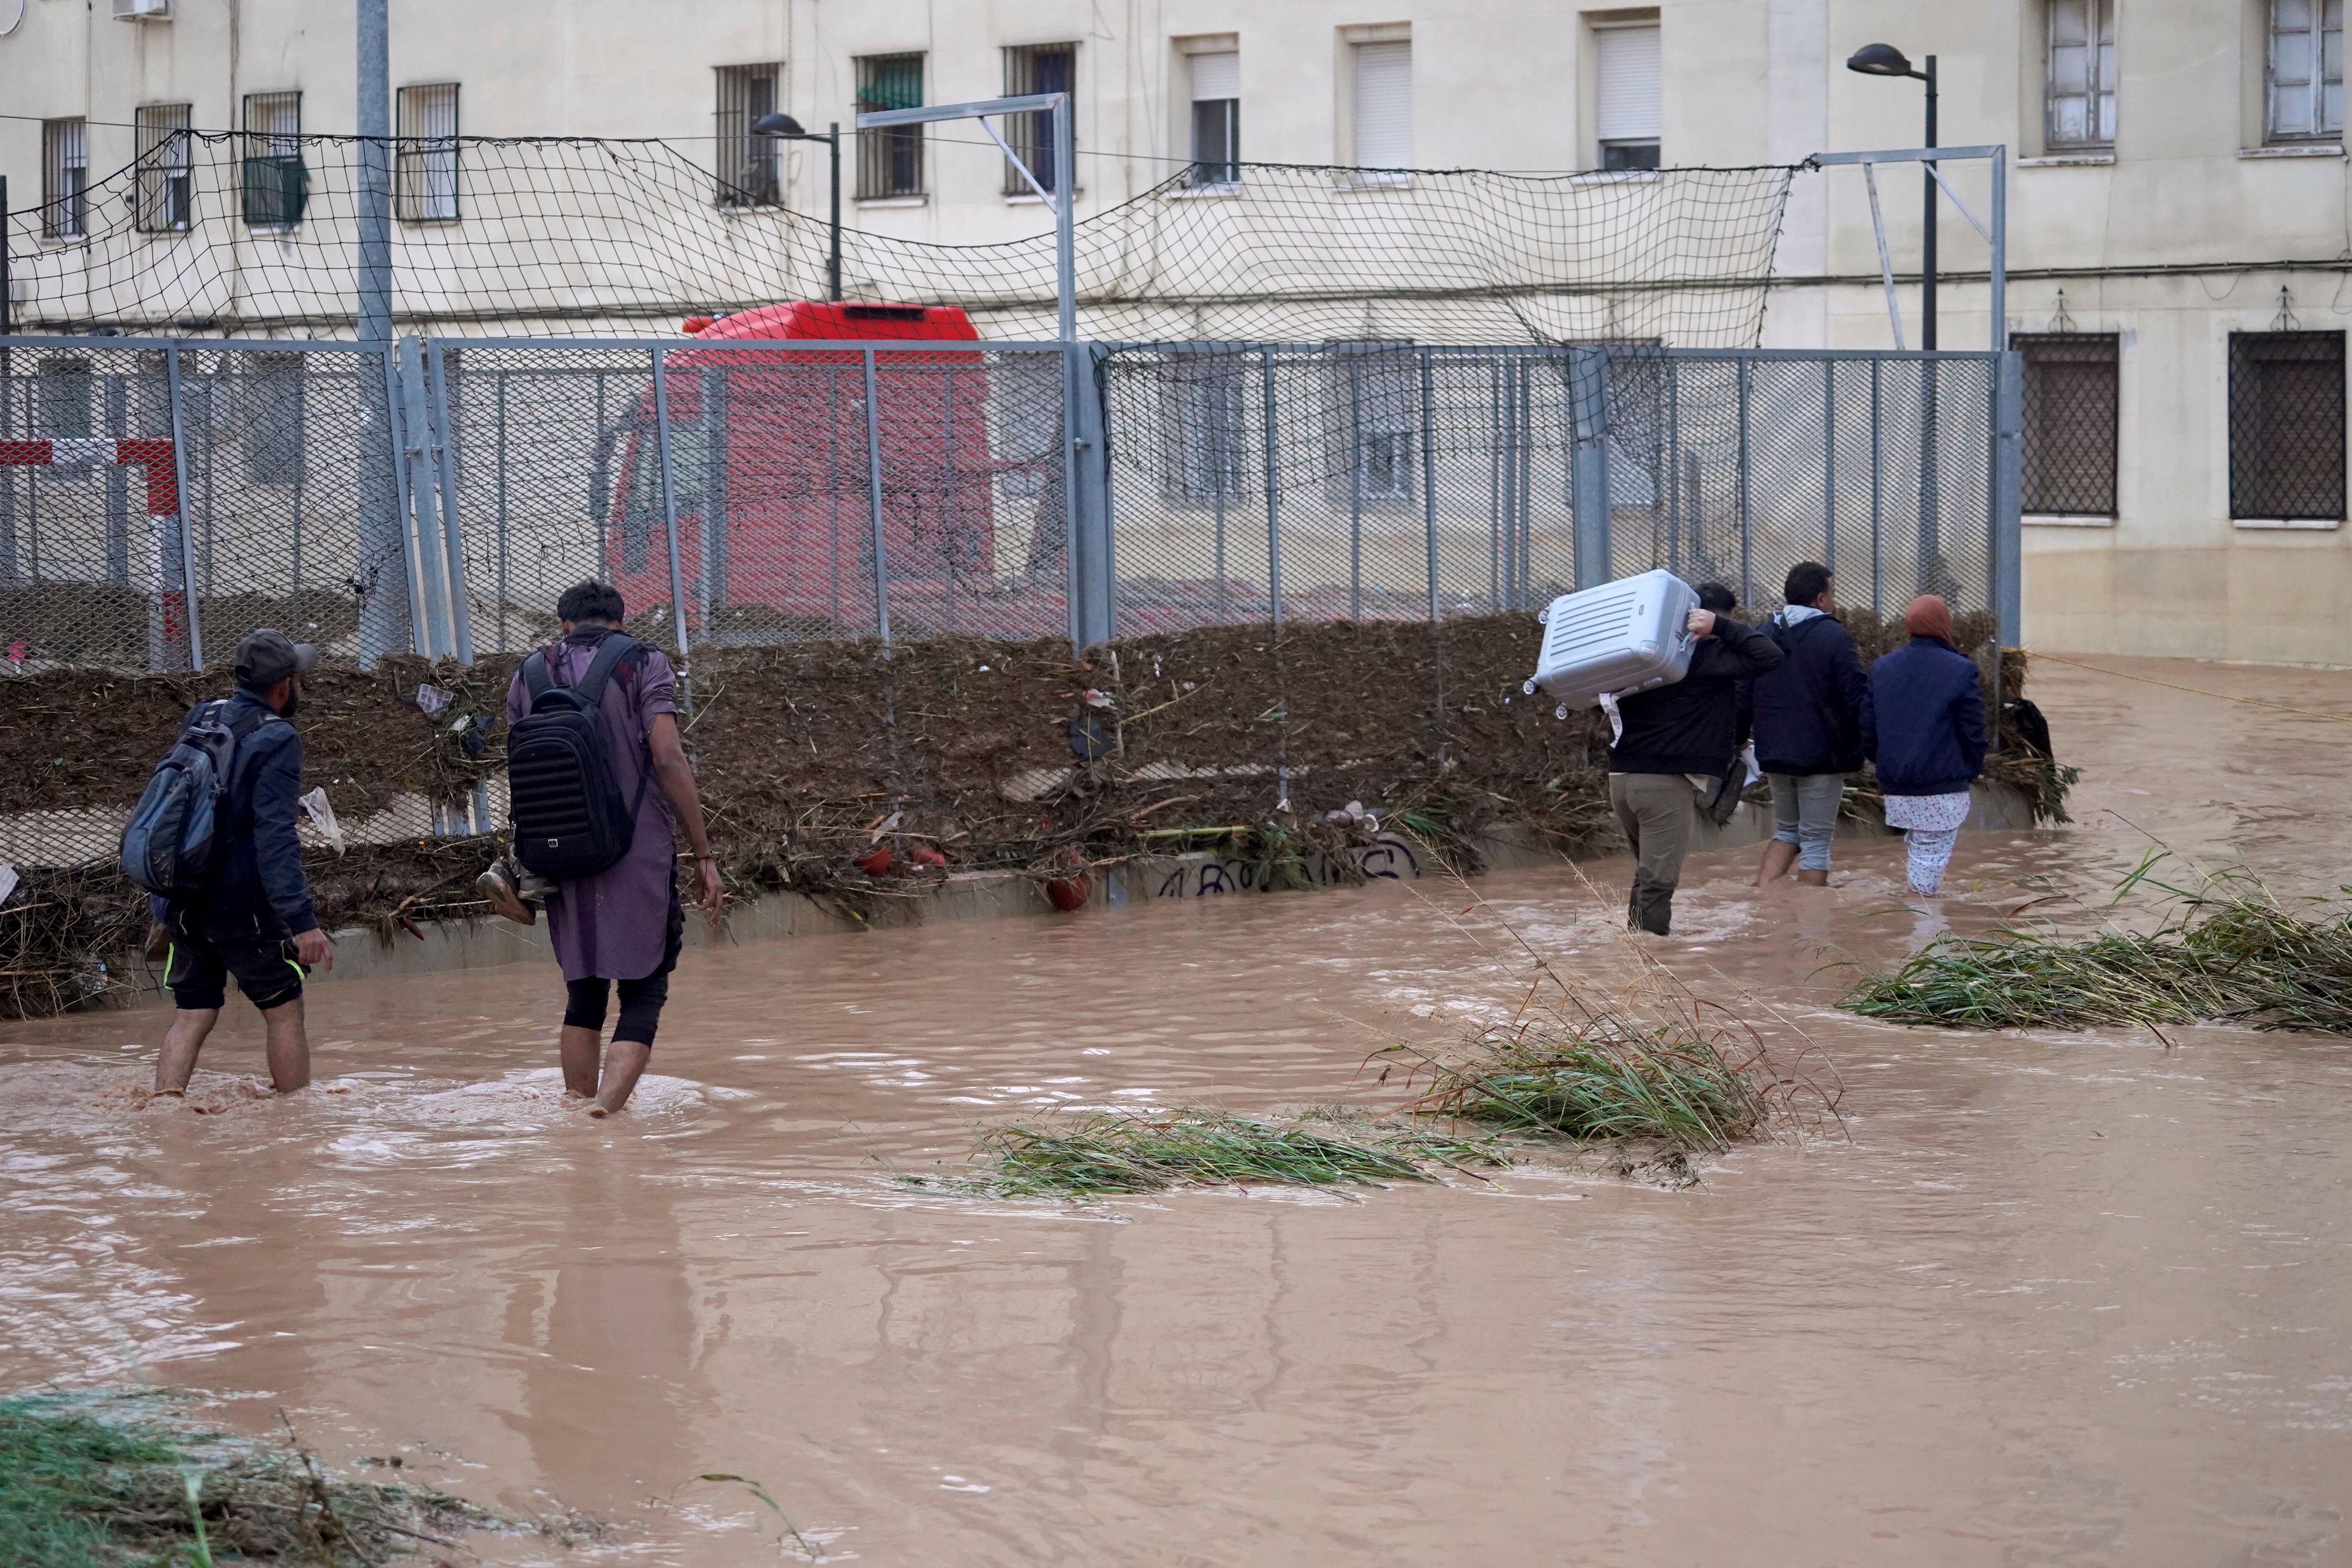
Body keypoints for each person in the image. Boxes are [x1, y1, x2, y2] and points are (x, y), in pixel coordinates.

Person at [483, 582, 723, 1117]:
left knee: (584, 992)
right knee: (645, 988)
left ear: (563, 624)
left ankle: (576, 1105)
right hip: (636, 848)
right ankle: (607, 1110)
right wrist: (703, 854)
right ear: (620, 619)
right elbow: (667, 758)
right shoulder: (643, 663)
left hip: (557, 851)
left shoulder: (529, 673)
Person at [153, 629, 335, 1098]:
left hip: (184, 898)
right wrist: (302, 922)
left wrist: (161, 903)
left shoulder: (203, 716)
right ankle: (297, 1123)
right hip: (240, 907)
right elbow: (274, 836)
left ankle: (166, 1114)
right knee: (283, 1010)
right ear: (283, 686)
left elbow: (176, 811)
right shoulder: (277, 738)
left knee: (192, 1016)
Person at [1607, 581, 1784, 935]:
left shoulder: (1640, 653)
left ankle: (1632, 957)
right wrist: (1720, 628)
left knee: (1647, 875)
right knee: (1658, 883)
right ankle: (1650, 971)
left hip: (1622, 778)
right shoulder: (1700, 655)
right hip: (1664, 783)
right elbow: (1770, 655)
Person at [1749, 561, 1868, 888]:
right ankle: (1809, 922)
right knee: (1815, 840)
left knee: (1786, 831)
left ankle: (1763, 901)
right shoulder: (1833, 635)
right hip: (1821, 754)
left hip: (1774, 752)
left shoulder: (1763, 632)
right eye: (1832, 594)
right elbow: (1855, 694)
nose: (1834, 601)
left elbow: (1745, 691)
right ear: (1820, 599)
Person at [1861, 594, 1988, 897]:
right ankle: (1921, 935)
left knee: (1921, 854)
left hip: (1898, 787)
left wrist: (1886, 764)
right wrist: (1968, 769)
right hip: (1942, 786)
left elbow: (1867, 727)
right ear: (1945, 624)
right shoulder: (1960, 669)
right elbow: (1974, 731)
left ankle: (1911, 927)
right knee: (1927, 872)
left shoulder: (1883, 667)